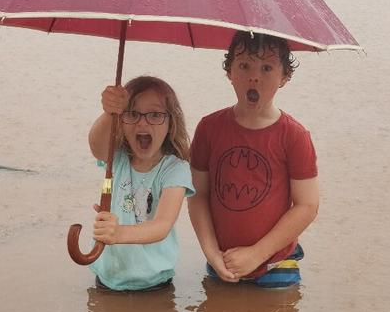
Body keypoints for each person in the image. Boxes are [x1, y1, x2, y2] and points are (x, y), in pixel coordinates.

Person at [188, 31, 319, 288]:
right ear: (229, 72)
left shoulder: (294, 135)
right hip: (223, 262)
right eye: (244, 65)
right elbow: (198, 195)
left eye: (267, 67)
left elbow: (307, 205)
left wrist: (258, 253)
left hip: (277, 263)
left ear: (285, 77)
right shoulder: (208, 128)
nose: (254, 76)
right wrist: (211, 253)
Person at [87, 75, 194, 291]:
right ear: (121, 120)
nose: (142, 122)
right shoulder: (116, 157)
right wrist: (109, 113)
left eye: (155, 115)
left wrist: (119, 233)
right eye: (132, 114)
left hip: (154, 284)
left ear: (171, 121)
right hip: (108, 278)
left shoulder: (174, 169)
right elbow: (96, 146)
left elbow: (162, 225)